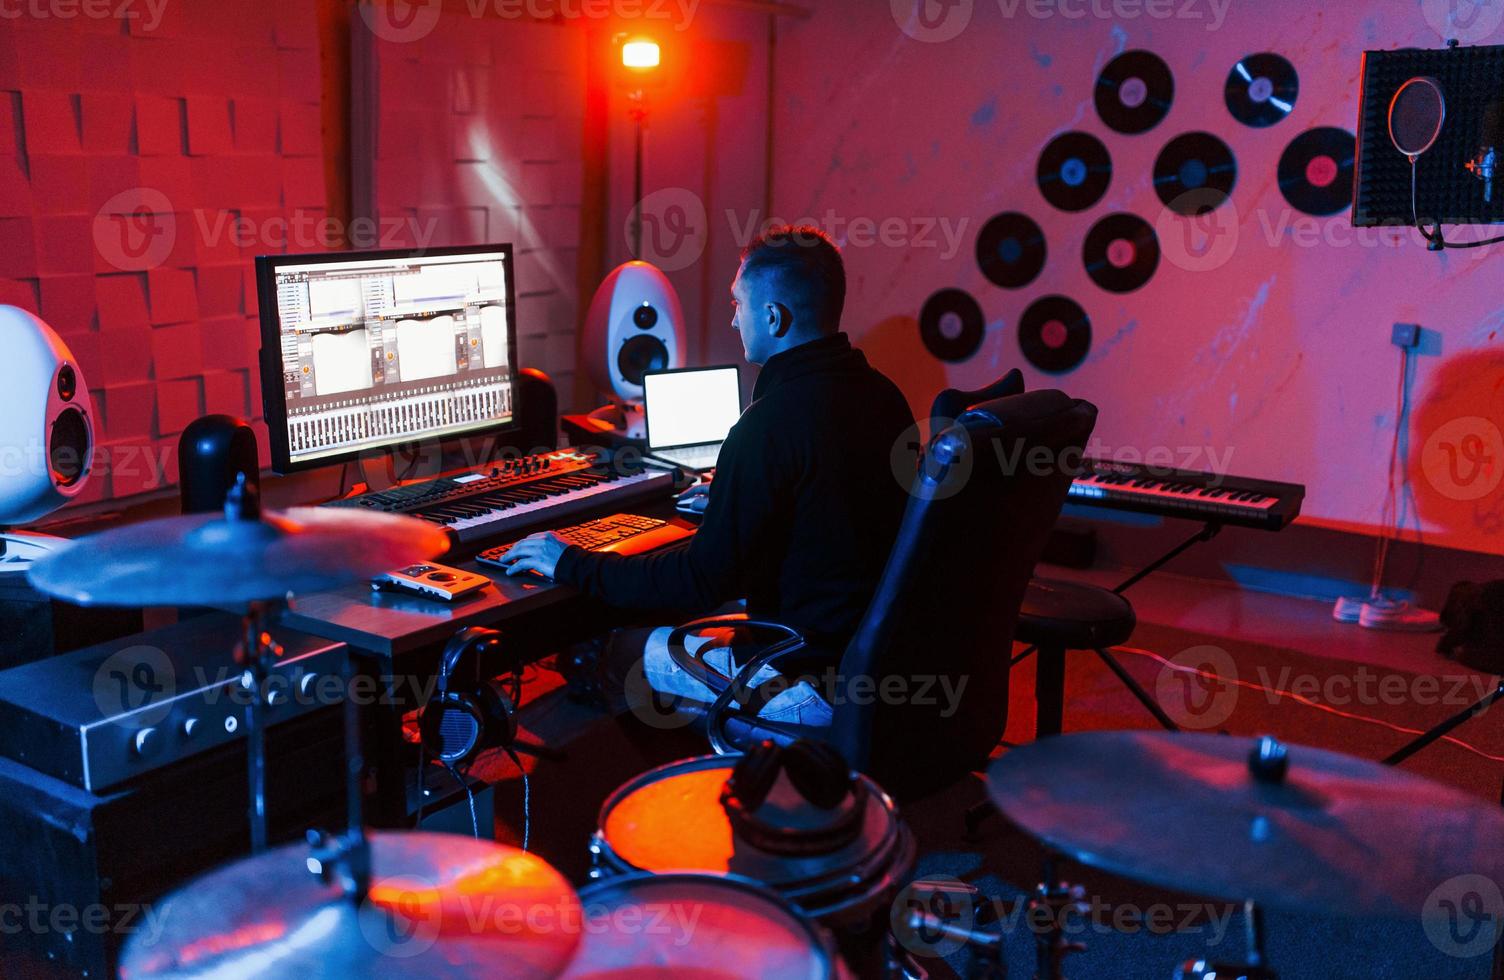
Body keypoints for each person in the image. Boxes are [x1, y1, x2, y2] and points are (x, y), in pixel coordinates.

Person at [497, 225, 914, 723]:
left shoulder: (766, 425)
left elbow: (700, 581)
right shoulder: (885, 396)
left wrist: (571, 564)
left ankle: (698, 781)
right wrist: (742, 492)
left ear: (773, 317)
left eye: (738, 304)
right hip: (879, 666)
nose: (734, 321)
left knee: (620, 647)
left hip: (805, 683)